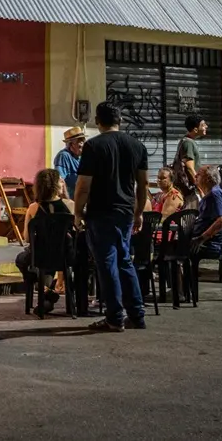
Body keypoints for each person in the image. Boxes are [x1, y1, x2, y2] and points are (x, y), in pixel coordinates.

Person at [73, 102, 149, 332]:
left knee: (106, 263)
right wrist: (139, 212)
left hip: (100, 212)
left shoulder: (93, 146)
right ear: (120, 120)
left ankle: (114, 317)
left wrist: (78, 211)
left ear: (98, 121)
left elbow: (83, 185)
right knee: (124, 260)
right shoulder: (137, 146)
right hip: (125, 211)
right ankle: (137, 315)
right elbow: (143, 184)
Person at [14, 169, 74, 316]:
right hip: (65, 256)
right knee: (51, 261)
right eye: (60, 181)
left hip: (40, 256)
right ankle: (49, 292)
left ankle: (45, 290)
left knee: (21, 260)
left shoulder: (33, 208)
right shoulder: (71, 205)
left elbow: (27, 238)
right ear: (57, 185)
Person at [191, 165, 222, 259]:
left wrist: (201, 238)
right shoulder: (213, 193)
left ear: (208, 179)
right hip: (207, 241)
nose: (195, 176)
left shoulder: (215, 194)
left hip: (210, 244)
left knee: (169, 247)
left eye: (199, 174)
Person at [173, 114, 208, 208]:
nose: (206, 126)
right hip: (190, 190)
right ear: (195, 129)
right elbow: (189, 168)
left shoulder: (186, 141)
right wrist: (200, 189)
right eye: (203, 125)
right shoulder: (188, 143)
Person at [53, 127, 85, 198]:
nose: (82, 148)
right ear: (70, 145)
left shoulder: (81, 156)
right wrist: (67, 200)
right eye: (79, 146)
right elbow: (60, 180)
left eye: (83, 142)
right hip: (70, 196)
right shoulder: (63, 156)